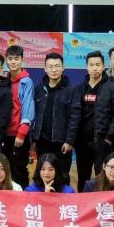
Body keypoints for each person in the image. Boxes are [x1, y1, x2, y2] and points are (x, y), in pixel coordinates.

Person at [31, 52, 80, 181]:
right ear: (45, 69)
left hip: (62, 143)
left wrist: (69, 141)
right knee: (42, 176)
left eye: (57, 66)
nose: (54, 70)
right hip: (42, 142)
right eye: (50, 66)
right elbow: (34, 115)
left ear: (63, 68)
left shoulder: (71, 90)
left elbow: (75, 118)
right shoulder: (39, 89)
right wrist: (34, 138)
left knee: (62, 176)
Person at [74, 51, 114, 191]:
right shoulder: (80, 88)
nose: (95, 68)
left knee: (103, 178)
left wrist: (109, 138)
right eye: (91, 65)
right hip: (82, 144)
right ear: (86, 67)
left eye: (98, 65)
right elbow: (75, 115)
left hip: (102, 142)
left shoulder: (111, 87)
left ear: (103, 66)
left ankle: (103, 203)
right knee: (83, 178)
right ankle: (82, 203)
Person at [3, 45, 36, 188]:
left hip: (18, 135)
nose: (13, 62)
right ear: (6, 60)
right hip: (5, 134)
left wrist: (22, 133)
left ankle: (22, 198)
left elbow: (28, 106)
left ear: (22, 60)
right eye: (10, 59)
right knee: (6, 169)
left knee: (19, 170)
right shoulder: (5, 80)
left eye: (16, 59)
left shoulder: (26, 82)